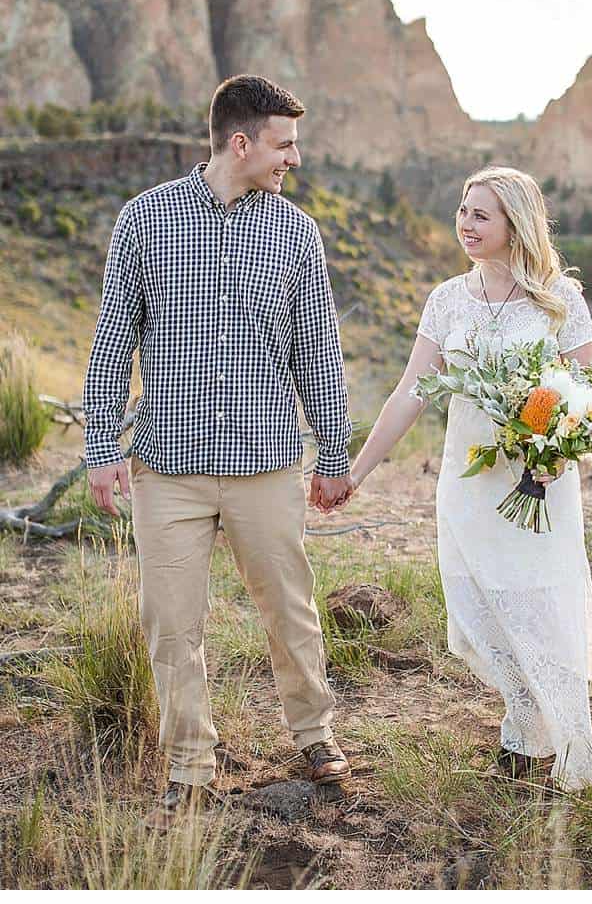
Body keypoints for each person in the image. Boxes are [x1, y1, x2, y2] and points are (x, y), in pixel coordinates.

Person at [83, 74, 355, 831]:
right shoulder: (144, 221)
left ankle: (314, 735)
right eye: (284, 143)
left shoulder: (297, 234)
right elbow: (112, 343)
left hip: (267, 465)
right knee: (171, 622)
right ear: (241, 142)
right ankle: (189, 763)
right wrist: (100, 443)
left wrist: (333, 452)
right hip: (167, 467)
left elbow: (319, 356)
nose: (294, 158)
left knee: (290, 612)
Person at [340, 165, 592, 791]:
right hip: (467, 480)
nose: (465, 223)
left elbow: (588, 397)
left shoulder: (560, 299)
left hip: (540, 483)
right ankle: (526, 718)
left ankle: (540, 739)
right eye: (462, 209)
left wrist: (555, 450)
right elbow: (409, 395)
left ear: (515, 225)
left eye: (481, 214)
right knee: (477, 609)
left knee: (539, 605)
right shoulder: (446, 299)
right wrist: (355, 472)